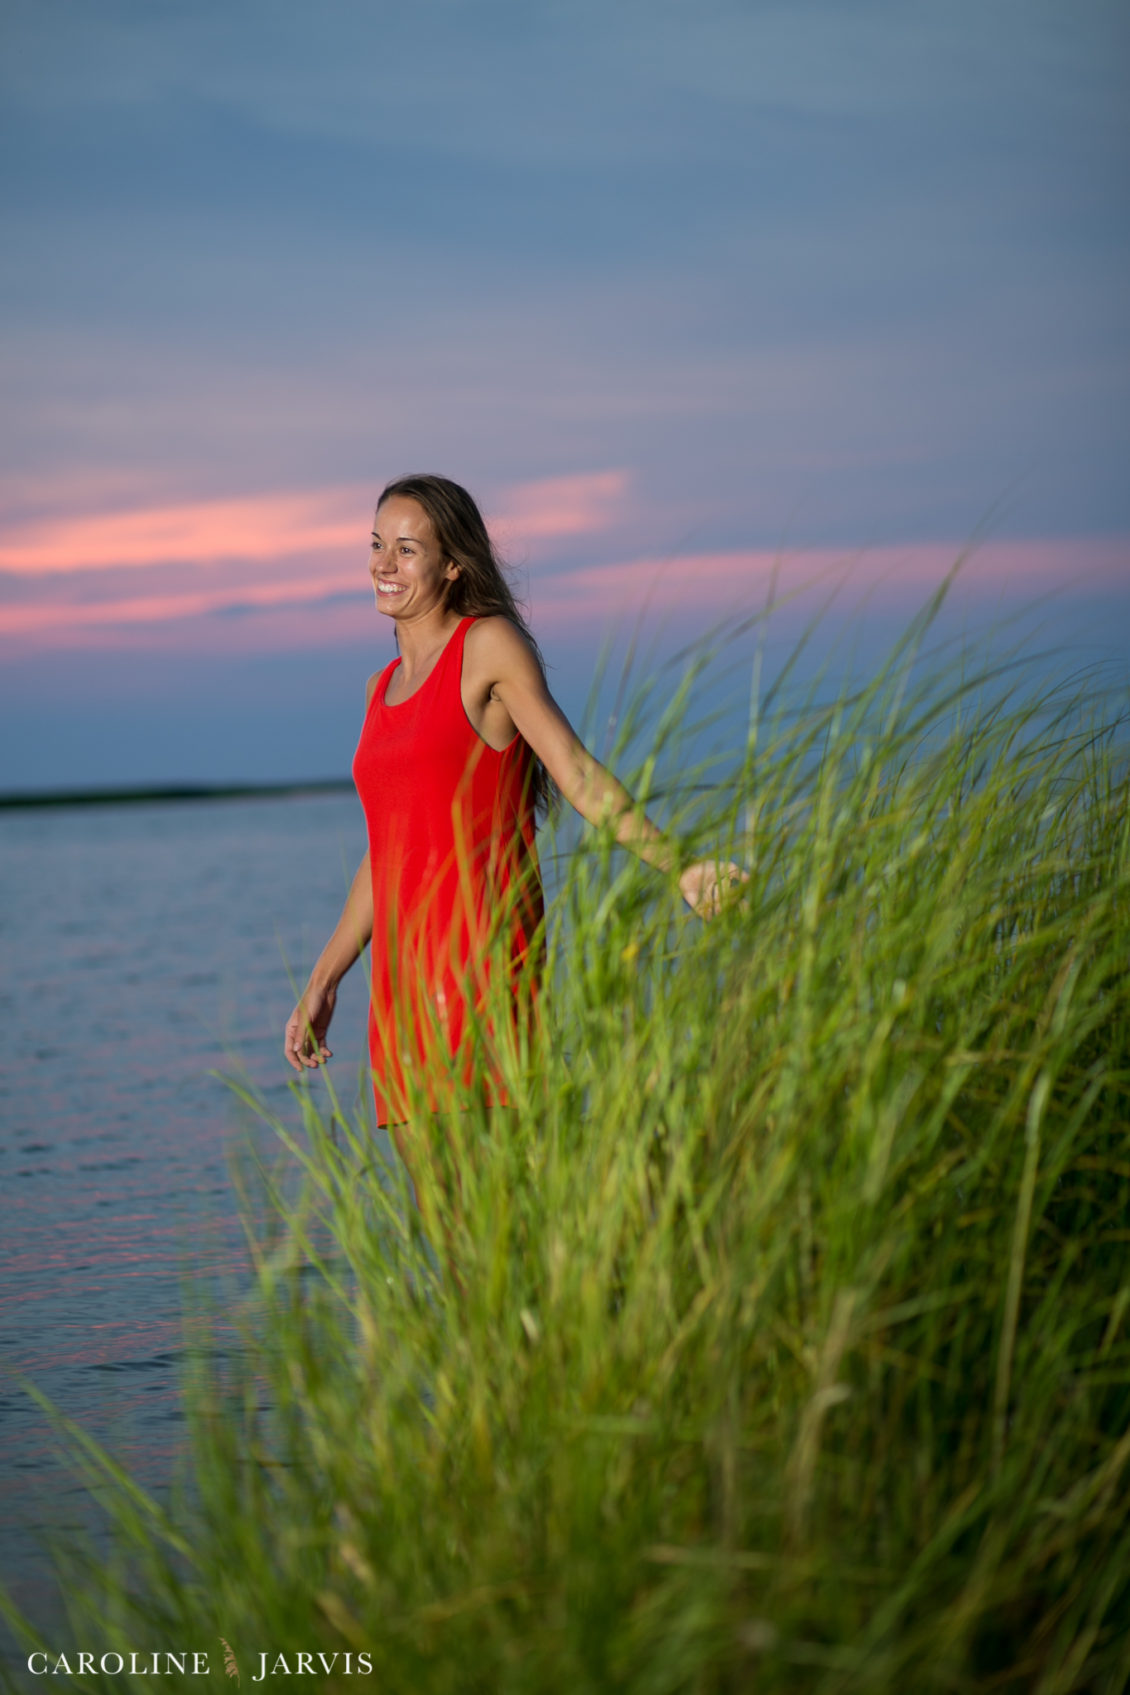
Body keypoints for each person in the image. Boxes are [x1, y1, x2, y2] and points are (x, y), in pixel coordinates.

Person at [284, 473, 742, 1138]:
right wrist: (325, 979)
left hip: (481, 964)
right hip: (400, 989)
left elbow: (578, 772)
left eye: (407, 550)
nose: (384, 563)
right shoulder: (376, 691)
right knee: (448, 1227)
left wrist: (682, 867)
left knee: (498, 1206)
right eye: (378, 543)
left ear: (454, 565)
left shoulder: (487, 648)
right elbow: (388, 855)